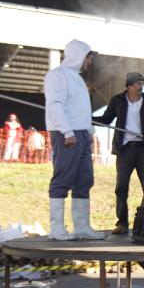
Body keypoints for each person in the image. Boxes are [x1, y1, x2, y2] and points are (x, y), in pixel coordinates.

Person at [44, 39, 105, 240]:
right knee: (63, 177)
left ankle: (82, 227)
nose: (90, 61)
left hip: (82, 133)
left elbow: (79, 109)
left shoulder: (77, 78)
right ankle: (56, 228)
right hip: (67, 134)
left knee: (84, 179)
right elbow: (54, 105)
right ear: (78, 55)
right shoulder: (58, 75)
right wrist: (67, 132)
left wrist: (87, 133)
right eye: (88, 57)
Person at [93, 72, 144, 235]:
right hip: (125, 149)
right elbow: (106, 119)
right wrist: (88, 118)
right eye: (138, 84)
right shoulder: (117, 101)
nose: (141, 87)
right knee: (121, 186)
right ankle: (122, 222)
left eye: (142, 84)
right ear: (129, 86)